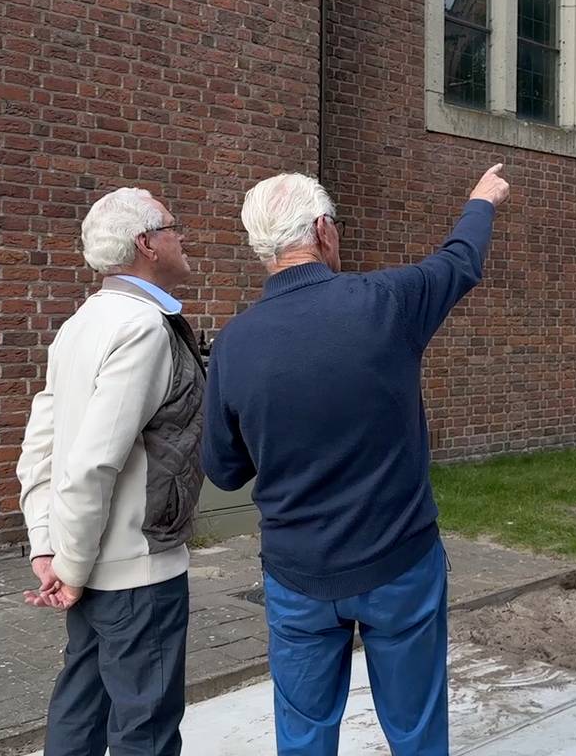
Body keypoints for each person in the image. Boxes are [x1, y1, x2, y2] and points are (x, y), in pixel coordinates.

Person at [202, 164, 509, 756]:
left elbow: (225, 469)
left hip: (296, 574)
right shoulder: (386, 302)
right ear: (323, 230)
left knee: (304, 734)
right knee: (416, 730)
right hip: (399, 562)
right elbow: (458, 261)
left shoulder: (235, 341)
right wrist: (481, 201)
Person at [16, 187, 205, 756]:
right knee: (143, 730)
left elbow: (40, 445)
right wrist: (67, 566)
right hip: (135, 571)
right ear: (146, 243)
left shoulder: (81, 322)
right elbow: (92, 461)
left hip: (92, 563)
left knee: (80, 707)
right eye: (173, 227)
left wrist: (47, 546)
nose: (182, 236)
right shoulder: (143, 327)